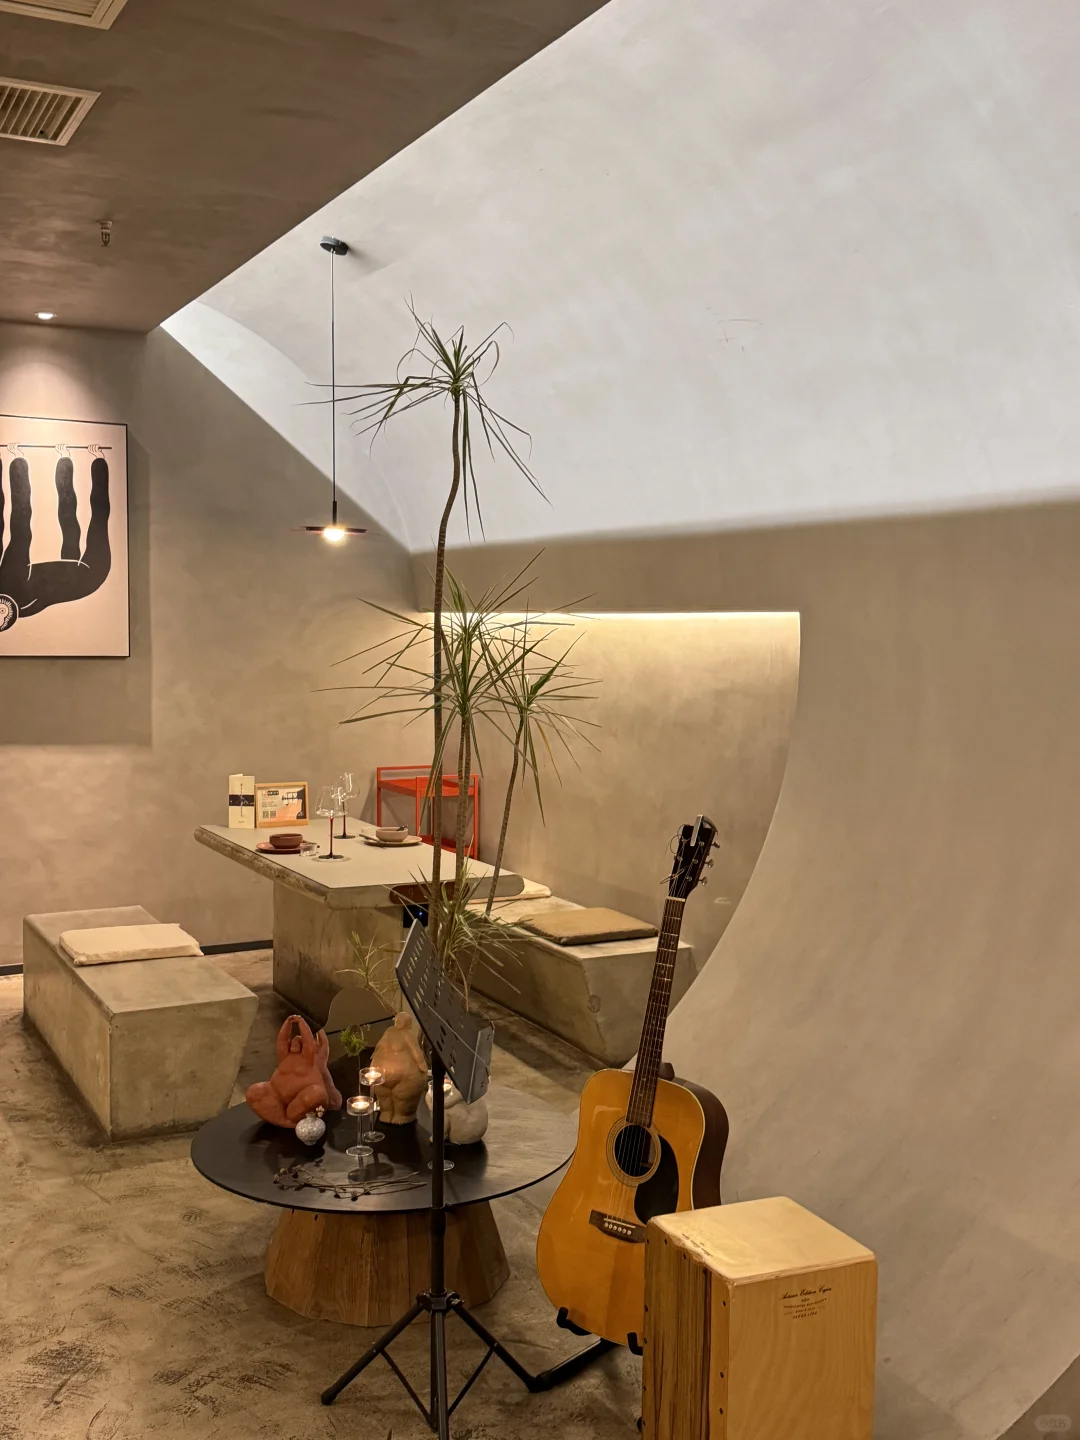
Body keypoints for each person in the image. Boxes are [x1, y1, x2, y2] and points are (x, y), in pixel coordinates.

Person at [0, 448, 112, 632]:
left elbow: (20, 527)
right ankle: (79, 461)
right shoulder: (17, 592)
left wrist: (17, 461)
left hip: (76, 576)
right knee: (87, 520)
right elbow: (20, 528)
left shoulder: (10, 584)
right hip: (90, 576)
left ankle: (68, 461)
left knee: (69, 522)